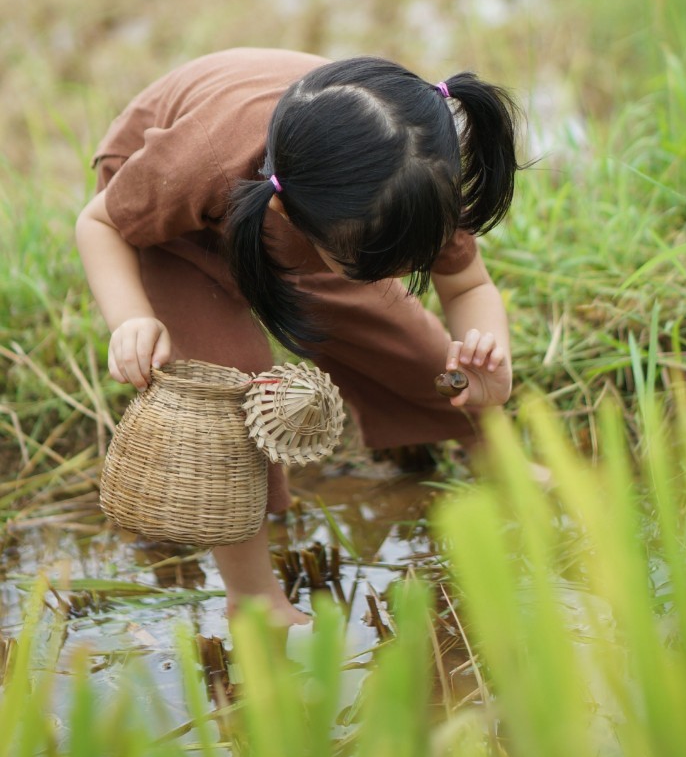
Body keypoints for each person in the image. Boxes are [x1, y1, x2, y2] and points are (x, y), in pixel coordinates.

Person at [76, 47, 521, 629]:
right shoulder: (205, 161)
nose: (397, 277)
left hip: (322, 220)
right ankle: (254, 596)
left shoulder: (412, 177)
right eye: (377, 266)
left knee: (410, 347)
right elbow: (100, 223)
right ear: (289, 214)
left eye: (406, 262)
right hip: (170, 220)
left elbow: (466, 285)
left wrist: (490, 362)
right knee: (232, 396)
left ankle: (498, 457)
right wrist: (132, 318)